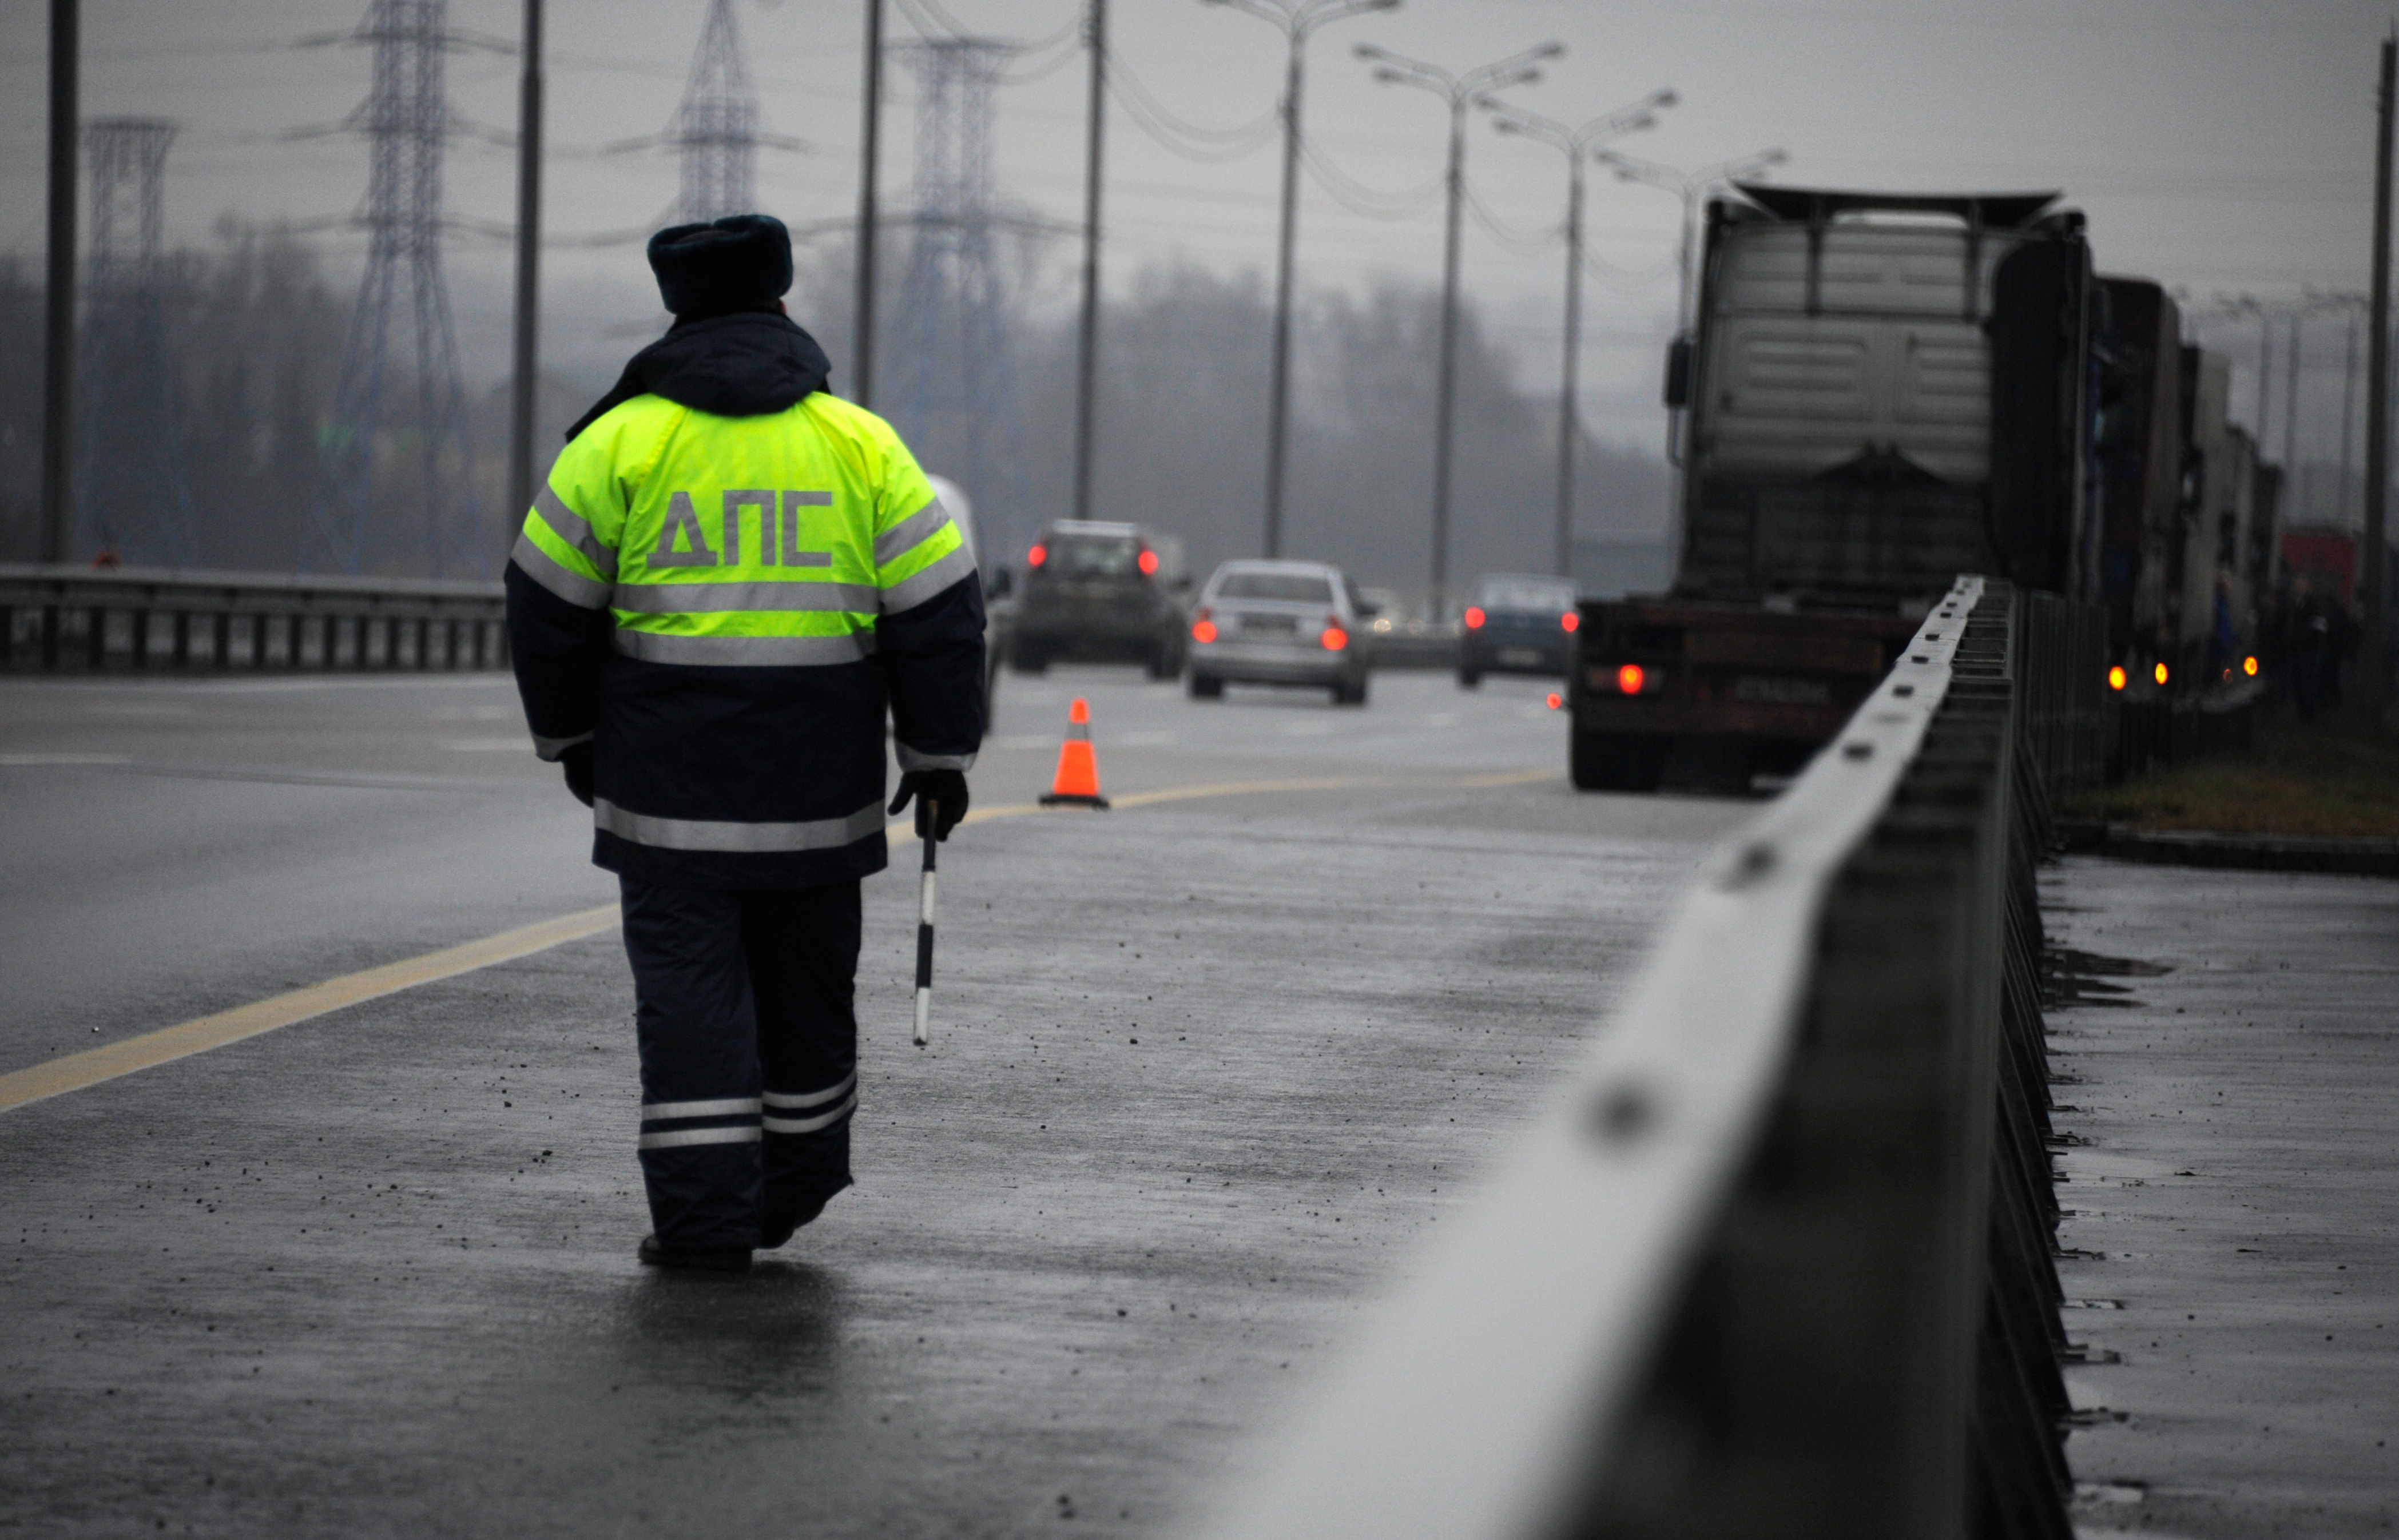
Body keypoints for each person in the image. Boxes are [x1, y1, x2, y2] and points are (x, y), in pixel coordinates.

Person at [506, 214, 986, 1272]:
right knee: (807, 997)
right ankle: (793, 1183)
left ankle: (706, 1219)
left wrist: (573, 738)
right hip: (819, 799)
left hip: (664, 793)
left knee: (690, 1005)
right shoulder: (859, 444)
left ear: (675, 310)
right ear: (781, 302)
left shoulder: (620, 443)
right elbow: (941, 610)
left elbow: (543, 602)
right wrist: (939, 756)